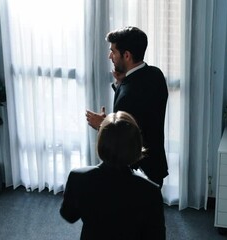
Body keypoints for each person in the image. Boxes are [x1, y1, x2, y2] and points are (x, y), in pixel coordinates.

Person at [60, 111, 166, 240]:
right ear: (136, 145)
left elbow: (69, 215)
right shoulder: (150, 191)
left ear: (100, 143)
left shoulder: (78, 177)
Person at [86, 26, 169, 187]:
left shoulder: (128, 95)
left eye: (113, 51)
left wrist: (102, 125)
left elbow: (123, 139)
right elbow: (144, 110)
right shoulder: (155, 74)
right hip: (156, 162)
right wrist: (120, 83)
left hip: (137, 170)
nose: (110, 56)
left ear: (127, 55)